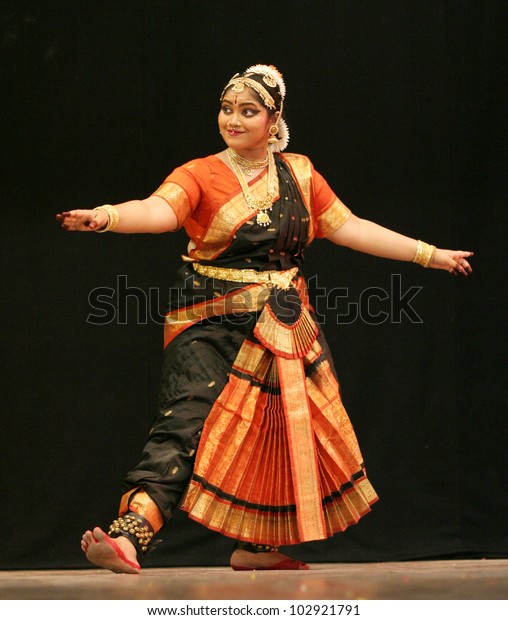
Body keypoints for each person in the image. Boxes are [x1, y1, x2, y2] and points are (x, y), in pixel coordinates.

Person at [56, 64, 473, 574]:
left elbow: (352, 227)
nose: (233, 120)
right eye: (227, 108)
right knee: (187, 419)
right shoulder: (199, 173)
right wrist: (109, 217)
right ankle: (129, 537)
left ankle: (254, 547)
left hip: (282, 325)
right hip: (206, 322)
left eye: (247, 111)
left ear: (273, 120)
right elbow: (158, 211)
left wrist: (429, 255)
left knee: (277, 430)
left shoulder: (299, 172)